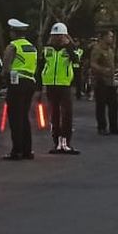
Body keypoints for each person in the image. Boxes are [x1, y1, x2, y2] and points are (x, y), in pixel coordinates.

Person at [39, 22, 79, 155]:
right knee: (54, 115)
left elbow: (77, 60)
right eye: (55, 36)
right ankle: (57, 143)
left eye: (60, 36)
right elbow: (41, 66)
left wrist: (68, 45)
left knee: (67, 114)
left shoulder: (69, 49)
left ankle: (66, 142)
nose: (57, 38)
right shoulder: (47, 49)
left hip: (64, 84)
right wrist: (40, 87)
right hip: (51, 85)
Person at [2, 19, 37, 161]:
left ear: (13, 33)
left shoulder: (13, 46)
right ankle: (27, 150)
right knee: (24, 116)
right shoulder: (31, 47)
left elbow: (6, 67)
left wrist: (4, 79)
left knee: (15, 117)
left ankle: (16, 150)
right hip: (30, 83)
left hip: (17, 83)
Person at [91, 31, 118, 135]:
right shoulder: (97, 49)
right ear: (104, 37)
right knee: (101, 105)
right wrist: (103, 70)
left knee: (114, 105)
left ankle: (114, 127)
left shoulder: (110, 50)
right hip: (101, 81)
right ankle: (102, 127)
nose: (112, 38)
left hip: (110, 81)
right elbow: (93, 64)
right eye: (110, 36)